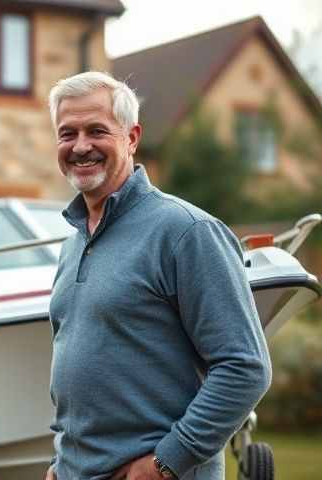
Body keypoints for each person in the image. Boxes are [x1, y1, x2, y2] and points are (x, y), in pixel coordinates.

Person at [43, 72, 271, 480]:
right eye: (67, 133)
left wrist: (167, 462)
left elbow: (244, 367)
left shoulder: (186, 232)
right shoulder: (73, 242)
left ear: (131, 138)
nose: (80, 146)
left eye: (97, 130)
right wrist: (62, 463)